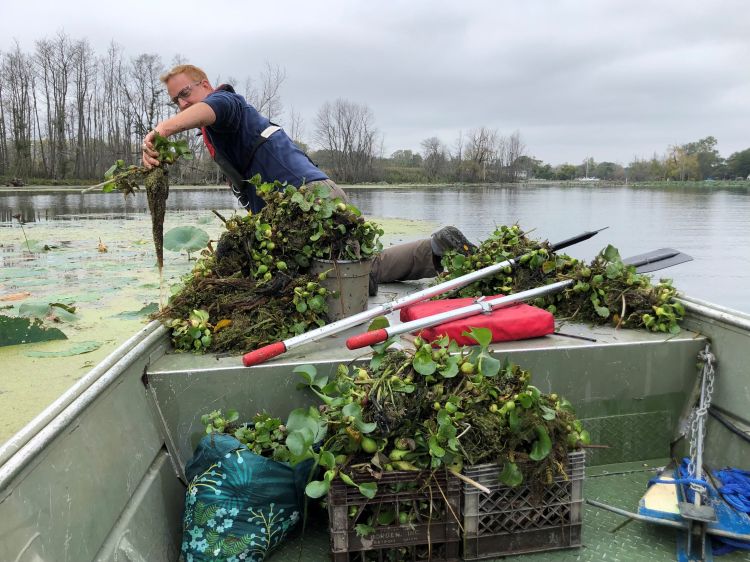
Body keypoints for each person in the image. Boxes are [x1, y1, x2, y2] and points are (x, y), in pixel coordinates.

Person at [142, 64, 474, 295]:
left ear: (205, 85)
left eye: (186, 93)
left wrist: (161, 130)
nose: (183, 103)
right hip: (303, 204)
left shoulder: (226, 103)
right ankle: (437, 250)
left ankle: (356, 284)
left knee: (341, 277)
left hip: (310, 201)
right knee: (364, 265)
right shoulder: (224, 130)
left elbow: (206, 111)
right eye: (176, 101)